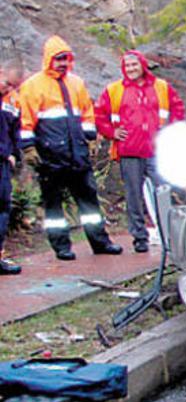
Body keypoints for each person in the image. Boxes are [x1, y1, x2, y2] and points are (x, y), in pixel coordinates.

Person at [18, 36, 122, 260]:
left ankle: (100, 242)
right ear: (48, 60)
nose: (63, 63)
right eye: (58, 59)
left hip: (77, 155)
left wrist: (91, 138)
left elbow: (87, 112)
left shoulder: (76, 83)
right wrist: (28, 148)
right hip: (49, 157)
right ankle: (61, 246)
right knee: (53, 206)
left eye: (66, 58)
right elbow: (25, 120)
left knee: (89, 202)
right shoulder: (33, 86)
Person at [95, 50, 185, 253]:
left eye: (134, 65)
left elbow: (177, 108)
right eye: (127, 66)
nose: (131, 69)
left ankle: (169, 236)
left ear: (142, 65)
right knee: (133, 196)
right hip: (129, 151)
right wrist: (111, 132)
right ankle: (139, 237)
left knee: (164, 194)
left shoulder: (161, 87)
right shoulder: (114, 90)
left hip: (158, 151)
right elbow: (99, 114)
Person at [0, 61, 24, 274]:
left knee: (2, 208)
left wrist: (16, 154)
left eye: (13, 86)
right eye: (7, 84)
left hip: (4, 164)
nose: (9, 89)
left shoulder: (13, 101)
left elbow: (15, 131)